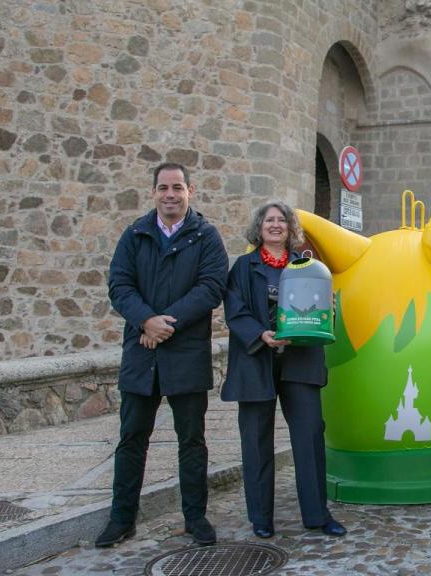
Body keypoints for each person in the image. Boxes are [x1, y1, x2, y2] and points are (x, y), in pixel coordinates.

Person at [99, 162, 229, 547]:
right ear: (153, 192)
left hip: (185, 352)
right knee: (131, 439)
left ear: (190, 190)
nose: (170, 194)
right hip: (142, 353)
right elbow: (119, 285)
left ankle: (195, 517)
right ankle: (121, 519)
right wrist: (145, 321)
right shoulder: (135, 234)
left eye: (177, 187)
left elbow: (211, 287)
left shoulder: (206, 236)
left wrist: (164, 324)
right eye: (163, 188)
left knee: (192, 440)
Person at [221, 201, 346, 538]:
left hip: (300, 360)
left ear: (291, 229)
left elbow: (321, 314)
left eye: (282, 221)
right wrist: (259, 334)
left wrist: (327, 309)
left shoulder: (308, 267)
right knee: (256, 440)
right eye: (269, 221)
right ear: (259, 228)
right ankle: (261, 518)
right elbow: (234, 310)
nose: (275, 225)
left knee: (309, 437)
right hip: (256, 359)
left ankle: (318, 515)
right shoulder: (243, 268)